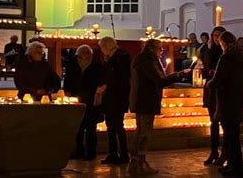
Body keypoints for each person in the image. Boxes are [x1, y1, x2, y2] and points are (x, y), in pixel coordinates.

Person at [128, 39, 190, 175]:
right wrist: (178, 75)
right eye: (160, 49)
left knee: (141, 132)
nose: (161, 52)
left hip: (143, 100)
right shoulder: (147, 61)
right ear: (153, 48)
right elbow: (159, 80)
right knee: (144, 133)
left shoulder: (144, 59)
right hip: (145, 101)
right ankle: (139, 163)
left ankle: (136, 162)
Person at [208, 31, 243, 177]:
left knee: (231, 138)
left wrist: (210, 83)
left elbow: (220, 79)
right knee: (233, 136)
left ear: (223, 43)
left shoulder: (226, 57)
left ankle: (237, 168)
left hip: (227, 101)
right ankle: (232, 164)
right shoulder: (241, 56)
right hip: (239, 99)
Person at [63, 45, 103, 160]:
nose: (80, 58)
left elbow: (100, 81)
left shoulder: (96, 66)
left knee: (91, 128)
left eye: (83, 55)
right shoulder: (73, 64)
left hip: (91, 101)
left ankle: (91, 152)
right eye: (79, 56)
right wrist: (68, 91)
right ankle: (79, 151)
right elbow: (68, 79)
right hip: (77, 99)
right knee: (78, 128)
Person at [96, 36, 131, 165]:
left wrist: (106, 86)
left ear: (106, 47)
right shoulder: (112, 58)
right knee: (111, 126)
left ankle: (123, 154)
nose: (101, 50)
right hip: (111, 98)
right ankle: (113, 154)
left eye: (102, 47)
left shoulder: (120, 58)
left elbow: (120, 79)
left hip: (117, 97)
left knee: (118, 126)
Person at [203, 26, 227, 166]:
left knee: (223, 121)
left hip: (221, 91)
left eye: (219, 36)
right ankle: (213, 150)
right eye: (214, 35)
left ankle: (225, 151)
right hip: (211, 91)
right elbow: (206, 68)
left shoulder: (226, 53)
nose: (216, 38)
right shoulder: (209, 51)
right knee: (213, 122)